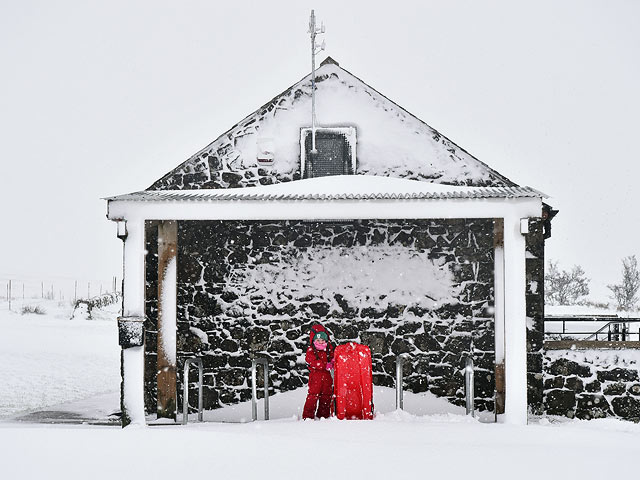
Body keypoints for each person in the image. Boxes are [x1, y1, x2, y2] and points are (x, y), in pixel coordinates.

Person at [302, 324, 334, 419]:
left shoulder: (328, 349)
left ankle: (323, 416)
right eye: (318, 340)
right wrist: (325, 365)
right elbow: (312, 361)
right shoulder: (311, 350)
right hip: (315, 377)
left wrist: (333, 360)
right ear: (313, 341)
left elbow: (332, 356)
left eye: (322, 341)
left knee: (326, 396)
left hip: (327, 377)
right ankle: (308, 416)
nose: (320, 342)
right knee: (313, 396)